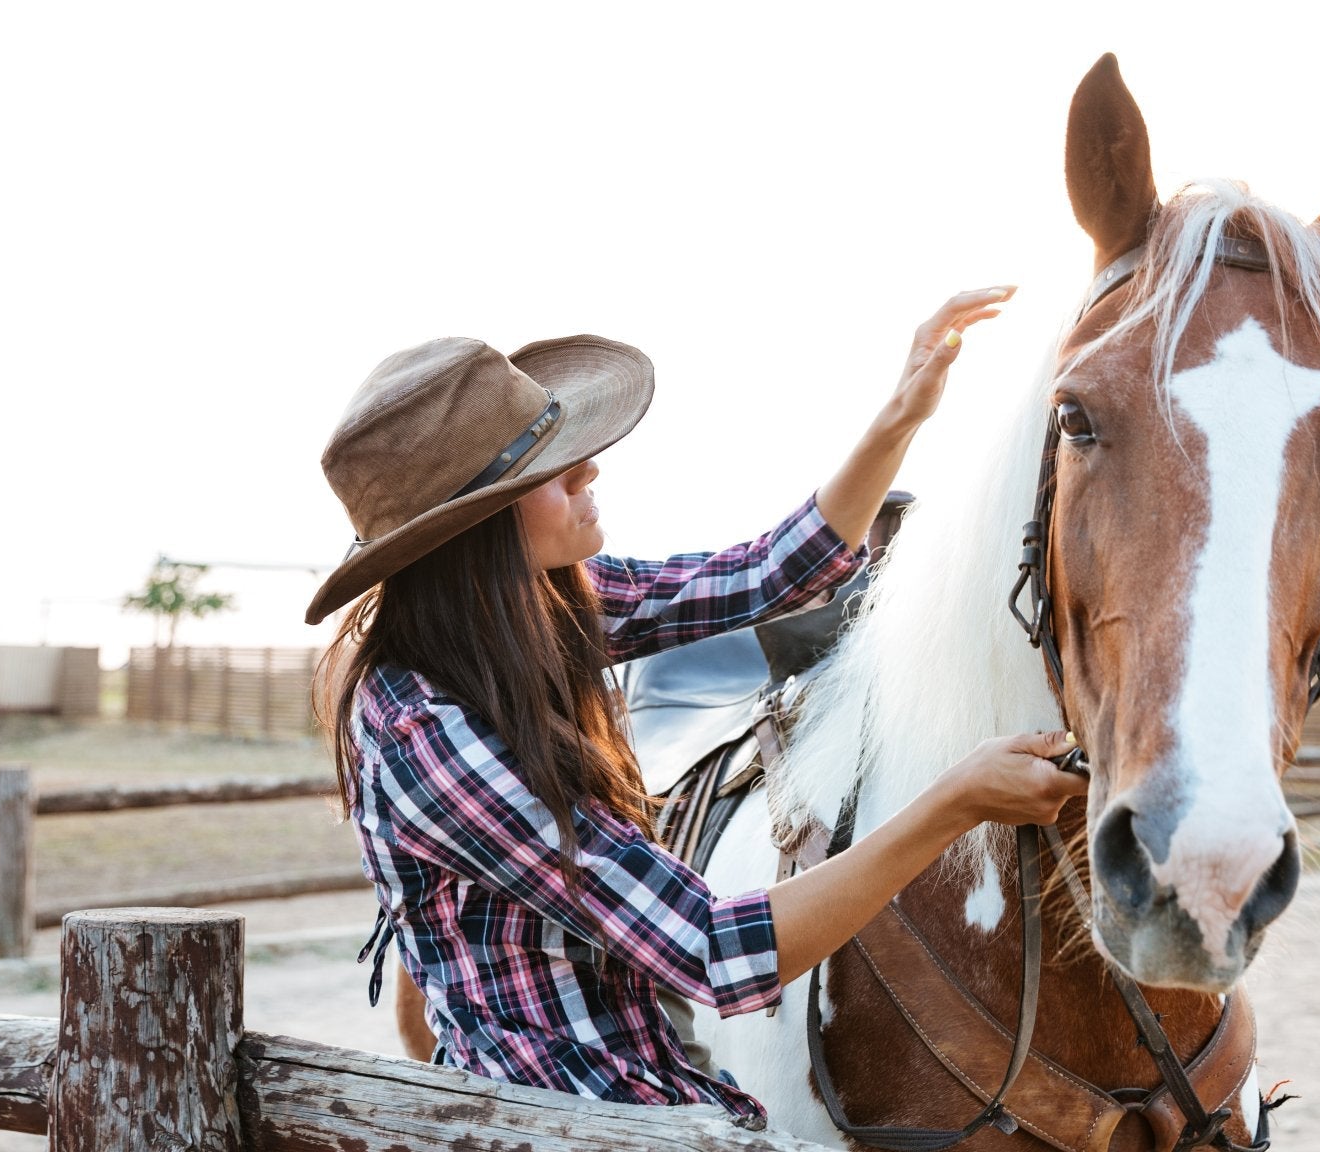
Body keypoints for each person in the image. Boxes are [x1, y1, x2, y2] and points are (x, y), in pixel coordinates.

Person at [305, 289, 1084, 1129]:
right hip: (563, 1123)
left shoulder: (537, 606)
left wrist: (902, 413)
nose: (588, 470)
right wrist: (955, 802)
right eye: (548, 470)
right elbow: (713, 948)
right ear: (476, 529)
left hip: (650, 1094)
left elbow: (765, 575)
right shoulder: (426, 733)